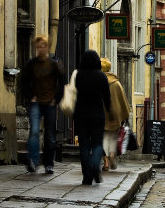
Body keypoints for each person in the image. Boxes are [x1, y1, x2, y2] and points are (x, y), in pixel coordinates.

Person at [20, 35, 64, 174]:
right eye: (39, 46)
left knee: (49, 134)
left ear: (47, 47)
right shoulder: (31, 64)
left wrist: (56, 99)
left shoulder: (54, 64)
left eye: (43, 46)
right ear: (36, 48)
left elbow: (62, 82)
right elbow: (23, 82)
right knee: (34, 131)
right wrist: (30, 96)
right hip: (36, 102)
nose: (41, 49)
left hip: (50, 103)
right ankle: (33, 161)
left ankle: (48, 163)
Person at [74, 50, 111, 185]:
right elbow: (107, 97)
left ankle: (87, 176)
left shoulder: (79, 75)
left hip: (81, 115)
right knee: (97, 144)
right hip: (97, 115)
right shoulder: (101, 76)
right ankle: (95, 165)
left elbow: (75, 94)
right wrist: (109, 112)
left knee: (84, 146)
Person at [101, 58, 130, 171]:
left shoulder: (98, 81)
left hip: (102, 114)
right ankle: (112, 154)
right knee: (113, 137)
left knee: (103, 138)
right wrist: (125, 114)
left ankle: (106, 162)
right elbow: (123, 100)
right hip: (115, 115)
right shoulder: (116, 83)